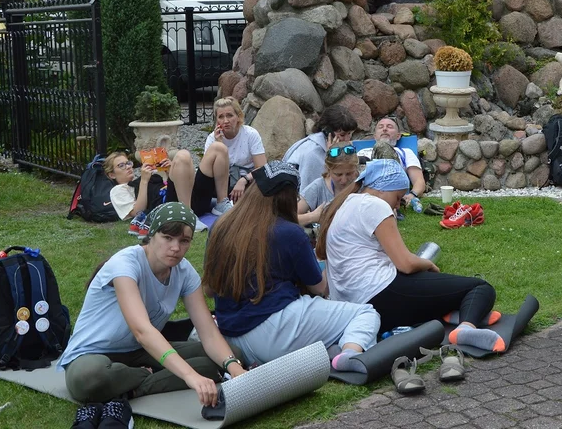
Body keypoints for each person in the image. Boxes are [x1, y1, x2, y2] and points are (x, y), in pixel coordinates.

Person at [59, 203, 247, 412]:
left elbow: (209, 333)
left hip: (140, 351)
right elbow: (142, 332)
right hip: (94, 354)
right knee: (89, 380)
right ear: (151, 235)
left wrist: (235, 367)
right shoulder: (125, 265)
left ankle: (134, 387)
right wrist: (190, 376)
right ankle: (146, 375)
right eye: (167, 238)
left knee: (231, 354)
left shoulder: (184, 272)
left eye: (184, 241)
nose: (176, 248)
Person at [203, 161, 379, 371]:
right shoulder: (289, 232)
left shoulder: (220, 226)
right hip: (277, 328)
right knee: (365, 314)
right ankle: (348, 355)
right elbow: (319, 288)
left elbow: (209, 290)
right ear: (288, 198)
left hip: (230, 336)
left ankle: (328, 351)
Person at [317, 159, 505, 352]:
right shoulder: (375, 205)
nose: (397, 205)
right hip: (380, 294)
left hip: (357, 305)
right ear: (383, 188)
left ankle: (455, 312)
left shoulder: (345, 203)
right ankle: (466, 328)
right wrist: (427, 264)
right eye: (398, 197)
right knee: (480, 288)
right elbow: (405, 263)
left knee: (432, 290)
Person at [169, 97, 265, 218]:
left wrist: (244, 180)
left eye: (230, 115)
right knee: (217, 149)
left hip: (245, 181)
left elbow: (262, 167)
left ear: (239, 116)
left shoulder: (250, 134)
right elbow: (208, 172)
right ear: (217, 120)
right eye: (221, 117)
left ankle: (223, 203)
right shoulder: (212, 138)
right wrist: (220, 143)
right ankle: (221, 203)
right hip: (219, 184)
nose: (225, 121)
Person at [283, 105, 357, 190]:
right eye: (342, 135)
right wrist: (331, 157)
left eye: (350, 134)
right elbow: (308, 193)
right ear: (328, 131)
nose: (347, 139)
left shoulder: (327, 145)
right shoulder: (312, 154)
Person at [104, 151, 173, 237]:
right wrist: (144, 181)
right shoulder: (117, 190)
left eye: (128, 163)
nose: (128, 167)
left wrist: (169, 171)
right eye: (121, 165)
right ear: (112, 175)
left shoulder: (137, 183)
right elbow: (137, 212)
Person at [357, 116, 426, 202]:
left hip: (391, 193)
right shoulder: (363, 152)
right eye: (380, 127)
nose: (385, 129)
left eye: (390, 127)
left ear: (398, 136)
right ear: (375, 136)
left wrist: (412, 195)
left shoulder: (405, 152)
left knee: (381, 147)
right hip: (365, 194)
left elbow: (418, 180)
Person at [297, 143, 360, 226]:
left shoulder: (364, 186)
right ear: (328, 170)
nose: (344, 180)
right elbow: (287, 218)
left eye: (349, 174)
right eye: (338, 175)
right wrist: (312, 217)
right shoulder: (318, 187)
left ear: (356, 168)